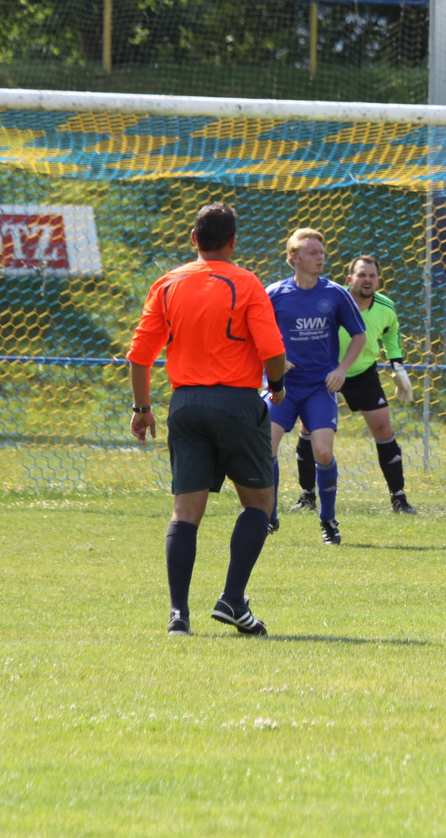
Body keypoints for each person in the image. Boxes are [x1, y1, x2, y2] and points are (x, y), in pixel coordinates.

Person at [128, 203, 289, 637]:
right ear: (233, 242)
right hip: (236, 402)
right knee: (259, 505)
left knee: (185, 512)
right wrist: (275, 386)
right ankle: (232, 599)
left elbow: (141, 355)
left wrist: (142, 409)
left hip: (185, 405)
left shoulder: (167, 283)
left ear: (192, 238)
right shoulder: (246, 282)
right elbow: (273, 349)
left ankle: (178, 615)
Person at [287, 255, 418, 516]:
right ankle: (307, 496)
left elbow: (392, 337)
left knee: (384, 428)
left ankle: (399, 498)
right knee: (309, 429)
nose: (367, 280)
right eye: (361, 275)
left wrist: (398, 366)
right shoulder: (334, 300)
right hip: (325, 372)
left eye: (372, 275)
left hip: (362, 372)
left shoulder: (386, 307)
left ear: (379, 280)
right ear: (350, 279)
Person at [265, 229, 367, 546]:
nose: (320, 257)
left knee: (322, 453)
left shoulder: (335, 294)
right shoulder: (275, 294)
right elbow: (253, 337)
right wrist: (274, 364)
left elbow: (359, 336)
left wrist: (341, 369)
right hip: (283, 387)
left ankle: (328, 520)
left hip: (319, 387)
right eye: (312, 252)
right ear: (293, 257)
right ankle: (268, 515)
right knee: (264, 448)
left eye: (322, 252)